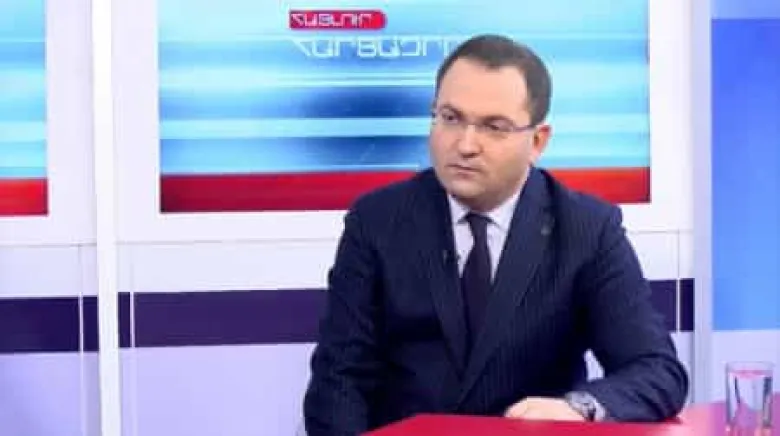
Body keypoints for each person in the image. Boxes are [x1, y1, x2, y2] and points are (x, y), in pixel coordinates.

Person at [302, 34, 689, 435]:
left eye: (494, 127)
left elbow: (657, 371)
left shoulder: (586, 229)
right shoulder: (378, 221)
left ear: (537, 141)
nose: (465, 145)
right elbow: (338, 382)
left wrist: (579, 407)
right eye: (450, 118)